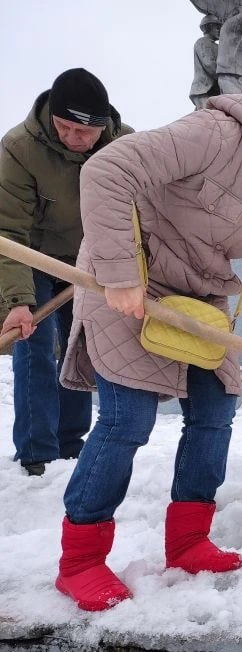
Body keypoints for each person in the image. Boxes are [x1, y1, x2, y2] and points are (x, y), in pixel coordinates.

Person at [55, 90, 242, 611]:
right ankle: (80, 561)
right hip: (131, 284)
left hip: (198, 302)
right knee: (128, 420)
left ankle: (189, 541)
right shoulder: (216, 134)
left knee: (215, 411)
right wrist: (121, 274)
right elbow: (107, 170)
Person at [0, 69, 132, 477]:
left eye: (84, 131)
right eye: (64, 127)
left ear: (103, 125)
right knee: (34, 344)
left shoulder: (125, 146)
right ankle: (36, 455)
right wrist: (17, 301)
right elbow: (8, 232)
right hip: (34, 258)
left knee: (78, 347)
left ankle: (70, 447)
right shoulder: (19, 149)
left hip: (87, 264)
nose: (73, 138)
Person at [190, 14, 222, 109]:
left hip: (215, 90)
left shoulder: (218, 47)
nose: (220, 31)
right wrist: (224, 78)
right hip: (203, 89)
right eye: (217, 28)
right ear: (209, 27)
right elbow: (209, 64)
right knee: (206, 114)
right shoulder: (202, 42)